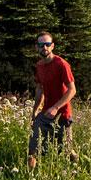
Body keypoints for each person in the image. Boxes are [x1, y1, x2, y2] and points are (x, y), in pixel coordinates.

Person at [28, 31, 75, 169]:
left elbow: (72, 90)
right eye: (41, 45)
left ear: (52, 46)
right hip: (45, 114)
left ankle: (78, 168)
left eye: (47, 44)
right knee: (32, 148)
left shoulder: (62, 64)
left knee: (66, 150)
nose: (45, 48)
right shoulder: (39, 66)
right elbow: (39, 89)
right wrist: (35, 111)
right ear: (37, 47)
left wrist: (55, 107)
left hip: (63, 114)